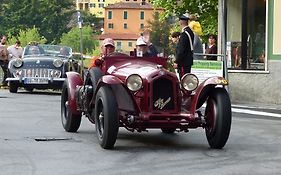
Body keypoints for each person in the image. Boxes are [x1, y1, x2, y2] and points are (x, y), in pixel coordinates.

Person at [174, 13, 195, 79]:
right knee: (186, 80)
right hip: (187, 60)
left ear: (181, 22)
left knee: (184, 81)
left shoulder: (184, 34)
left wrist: (177, 61)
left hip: (183, 62)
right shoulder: (190, 32)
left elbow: (181, 50)